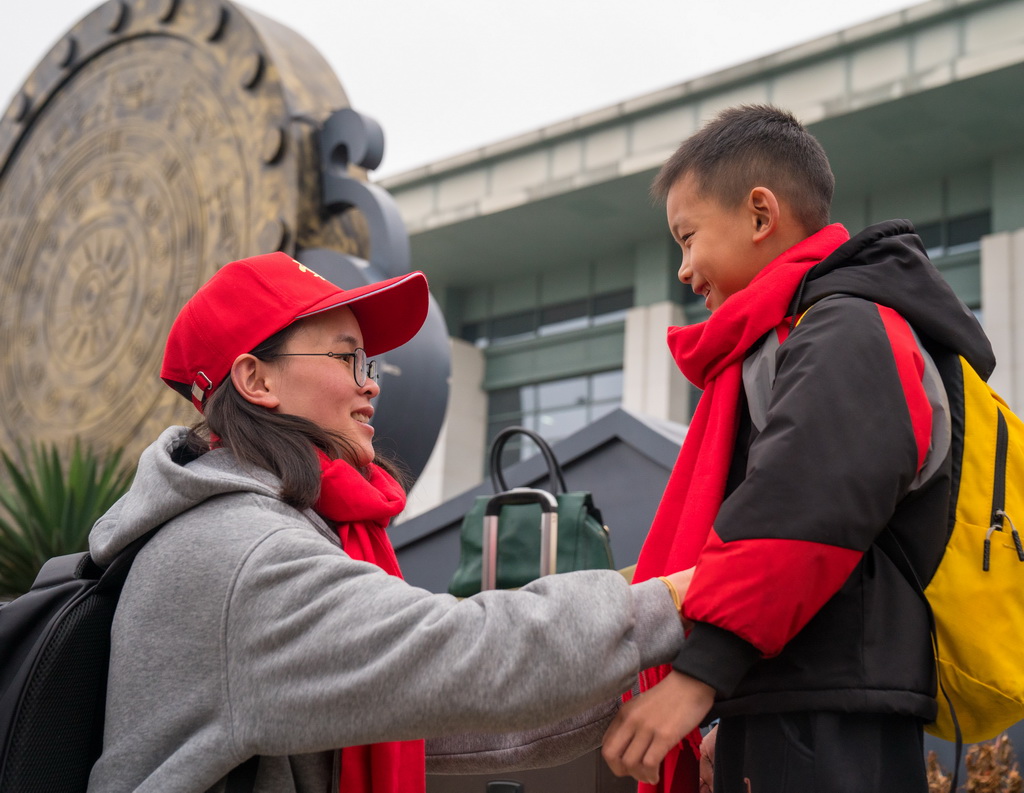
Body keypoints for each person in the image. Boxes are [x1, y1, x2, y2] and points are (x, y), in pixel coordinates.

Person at [85, 252, 693, 793]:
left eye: (369, 363)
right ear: (257, 379)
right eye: (349, 359)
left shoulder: (258, 524)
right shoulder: (245, 552)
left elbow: (430, 718)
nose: (372, 384)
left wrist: (635, 671)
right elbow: (459, 650)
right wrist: (678, 599)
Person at [600, 104, 995, 793]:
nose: (686, 270)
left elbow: (807, 499)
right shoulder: (797, 333)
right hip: (803, 696)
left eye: (689, 238)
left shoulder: (846, 325)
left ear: (760, 215)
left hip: (832, 709)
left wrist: (698, 676)